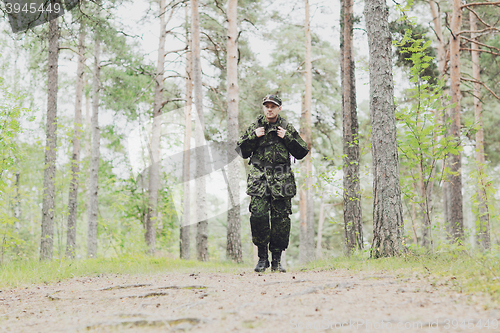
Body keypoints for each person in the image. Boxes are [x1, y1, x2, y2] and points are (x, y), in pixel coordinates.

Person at [236, 94, 309, 272]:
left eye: (273, 106)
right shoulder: (255, 127)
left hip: (281, 179)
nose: (269, 109)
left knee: (281, 221)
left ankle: (276, 260)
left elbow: (302, 152)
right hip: (259, 179)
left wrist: (288, 138)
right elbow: (241, 151)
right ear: (263, 108)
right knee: (258, 217)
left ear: (279, 108)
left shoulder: (286, 127)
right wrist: (253, 137)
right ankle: (262, 258)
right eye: (267, 106)